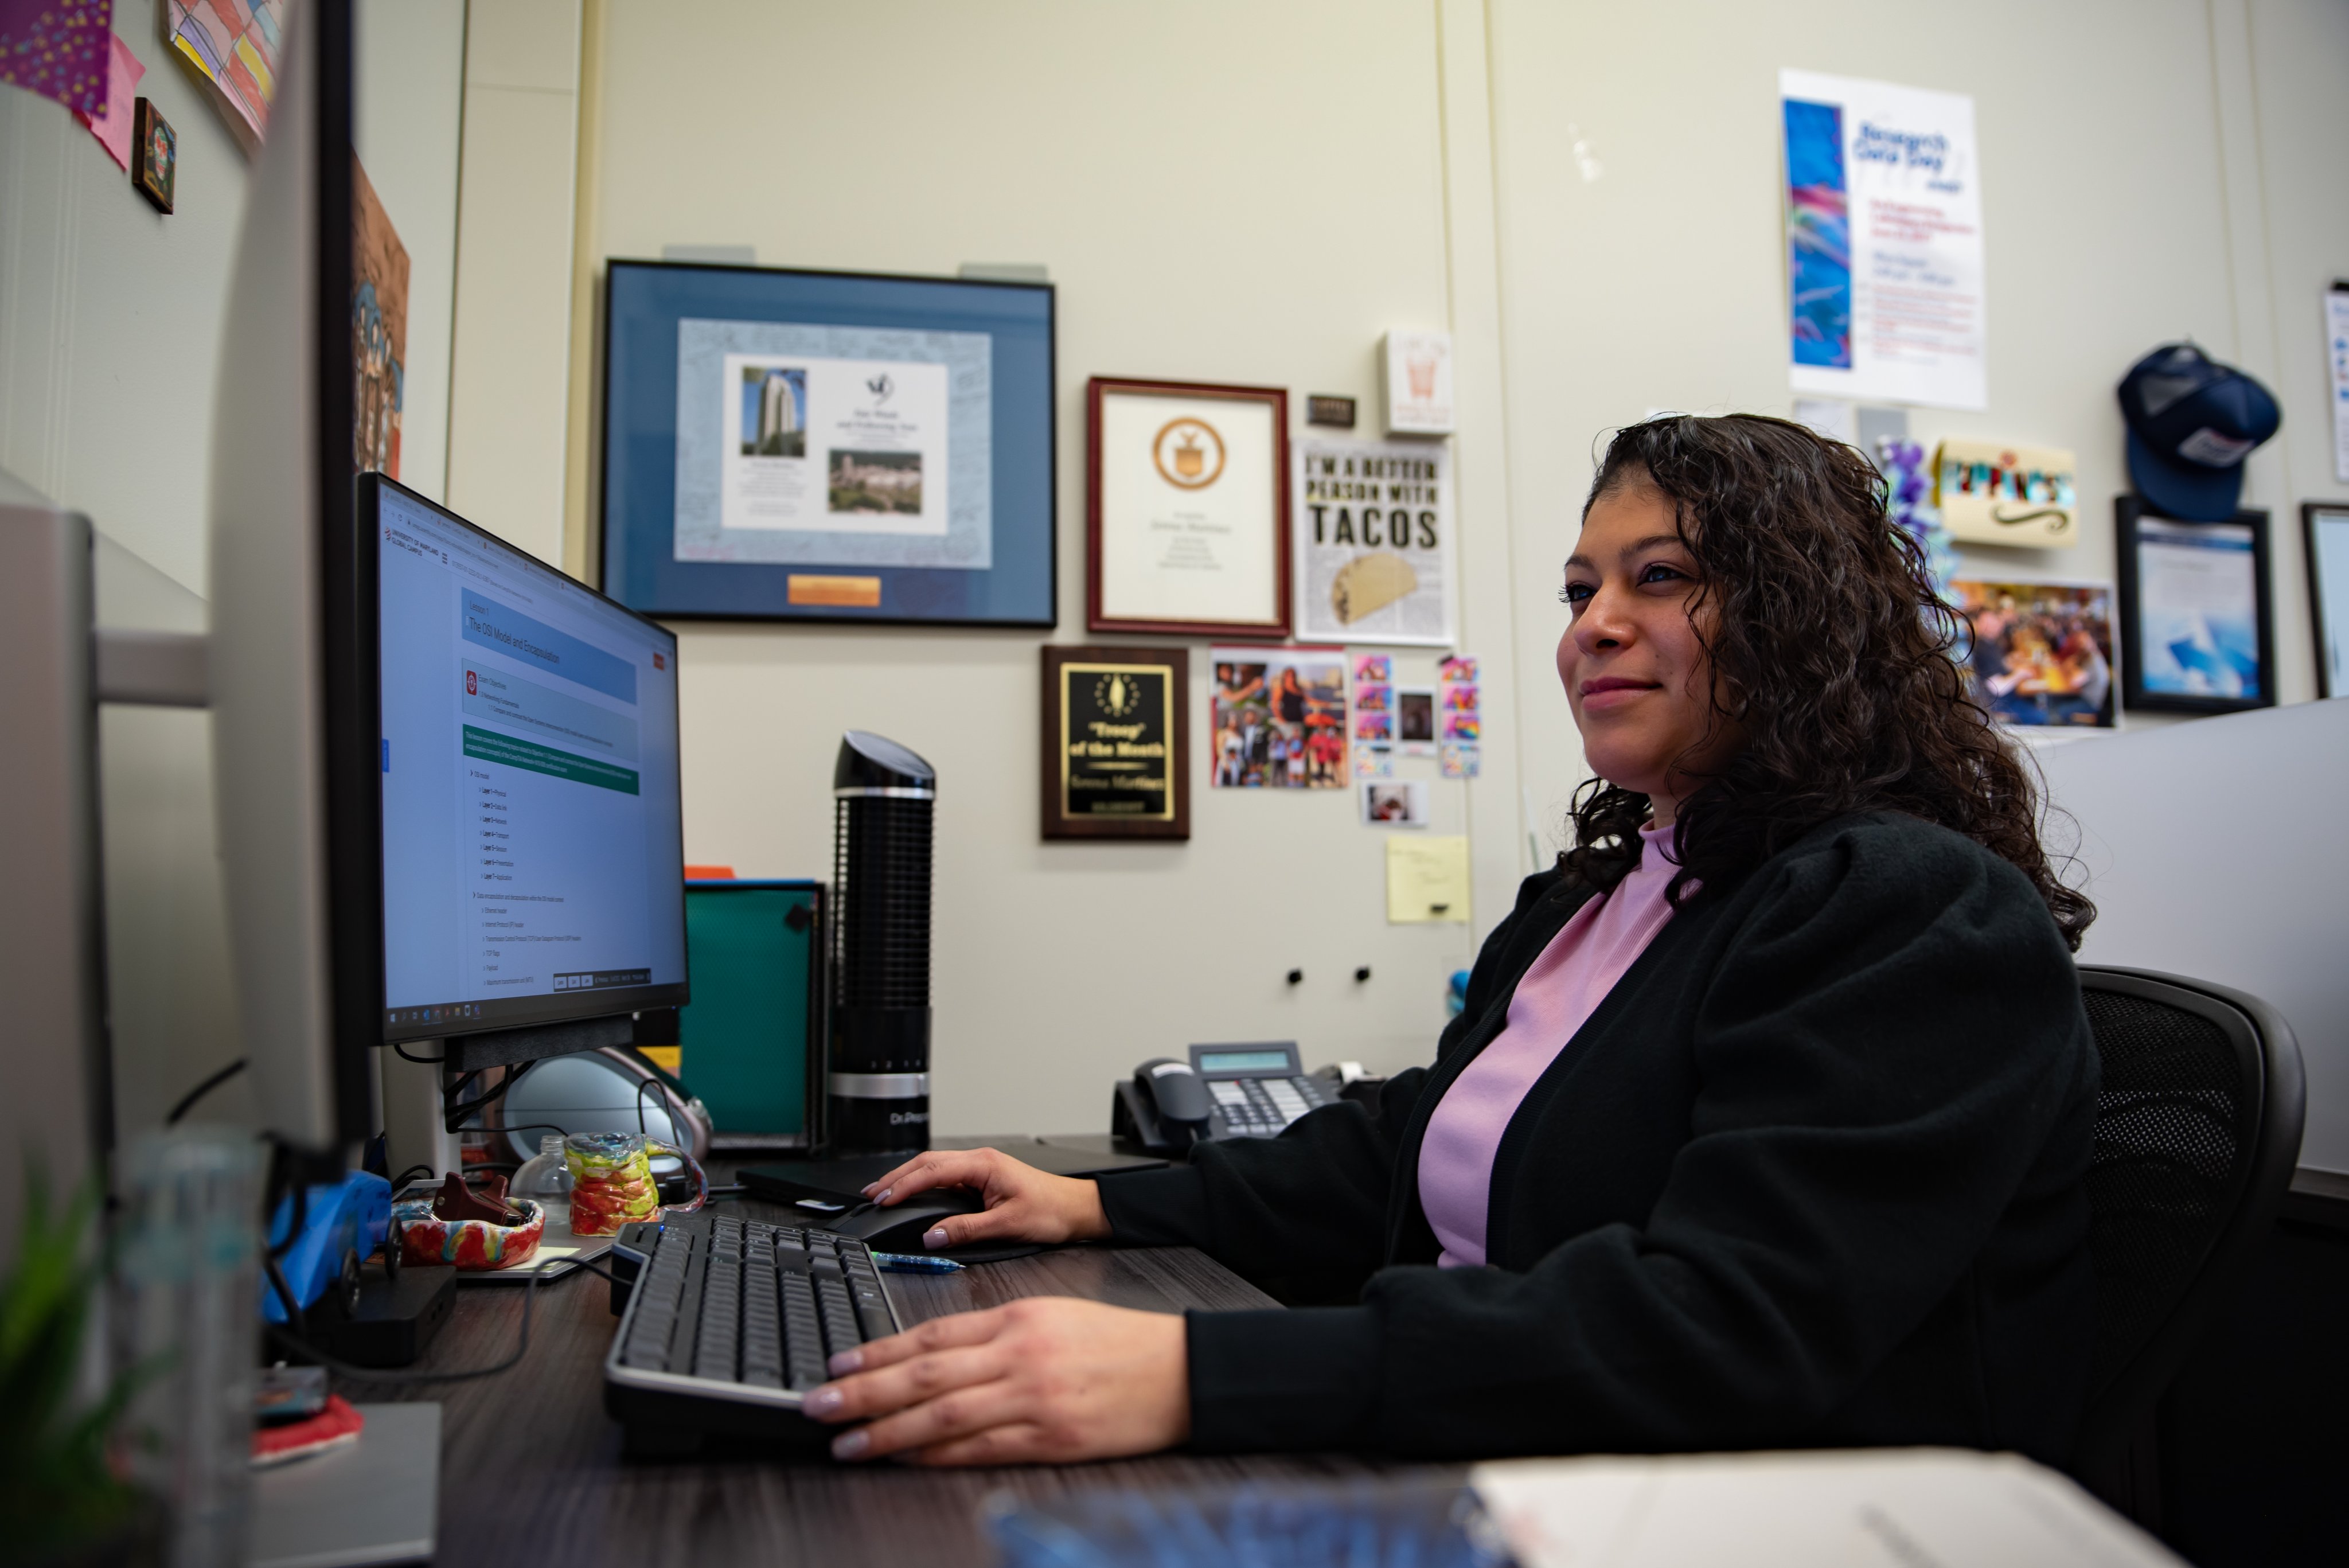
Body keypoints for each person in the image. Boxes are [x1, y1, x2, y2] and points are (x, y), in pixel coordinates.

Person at [805, 414, 2098, 1470]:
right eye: (1578, 586)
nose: (1590, 621)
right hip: (1532, 1451)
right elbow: (1403, 1141)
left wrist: (1195, 1370)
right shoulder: (1606, 893)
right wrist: (1091, 1200)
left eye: (1659, 577)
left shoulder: (1911, 905)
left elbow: (1722, 1325)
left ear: (1799, 617)